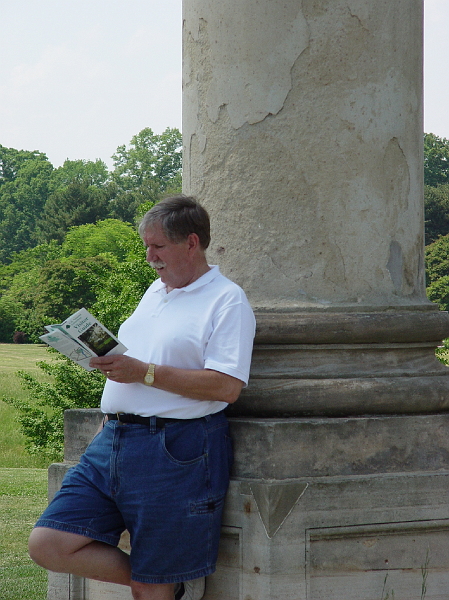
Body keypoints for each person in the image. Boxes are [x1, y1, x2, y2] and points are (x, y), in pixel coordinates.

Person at [28, 195, 256, 600]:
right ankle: (169, 582)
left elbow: (226, 386)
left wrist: (144, 374)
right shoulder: (155, 290)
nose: (149, 256)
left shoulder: (227, 300)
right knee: (48, 543)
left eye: (158, 247)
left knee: (150, 592)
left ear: (191, 242)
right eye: (146, 246)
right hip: (112, 441)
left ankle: (161, 582)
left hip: (175, 449)